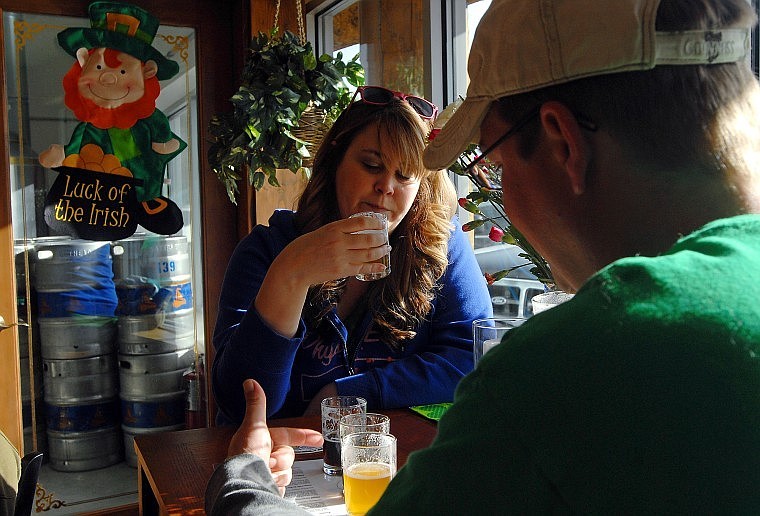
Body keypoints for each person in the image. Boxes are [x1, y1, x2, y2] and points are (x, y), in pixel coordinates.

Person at [206, 0, 760, 512]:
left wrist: (242, 476)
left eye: (493, 165)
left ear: (561, 142)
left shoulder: (558, 369)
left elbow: (466, 355)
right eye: (373, 165)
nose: (388, 189)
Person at [212, 85, 493, 424]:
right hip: (285, 462)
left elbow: (475, 359)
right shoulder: (265, 252)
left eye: (405, 176)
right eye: (372, 165)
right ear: (334, 162)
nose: (386, 186)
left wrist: (350, 393)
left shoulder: (442, 249)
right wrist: (290, 275)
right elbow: (239, 402)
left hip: (390, 459)